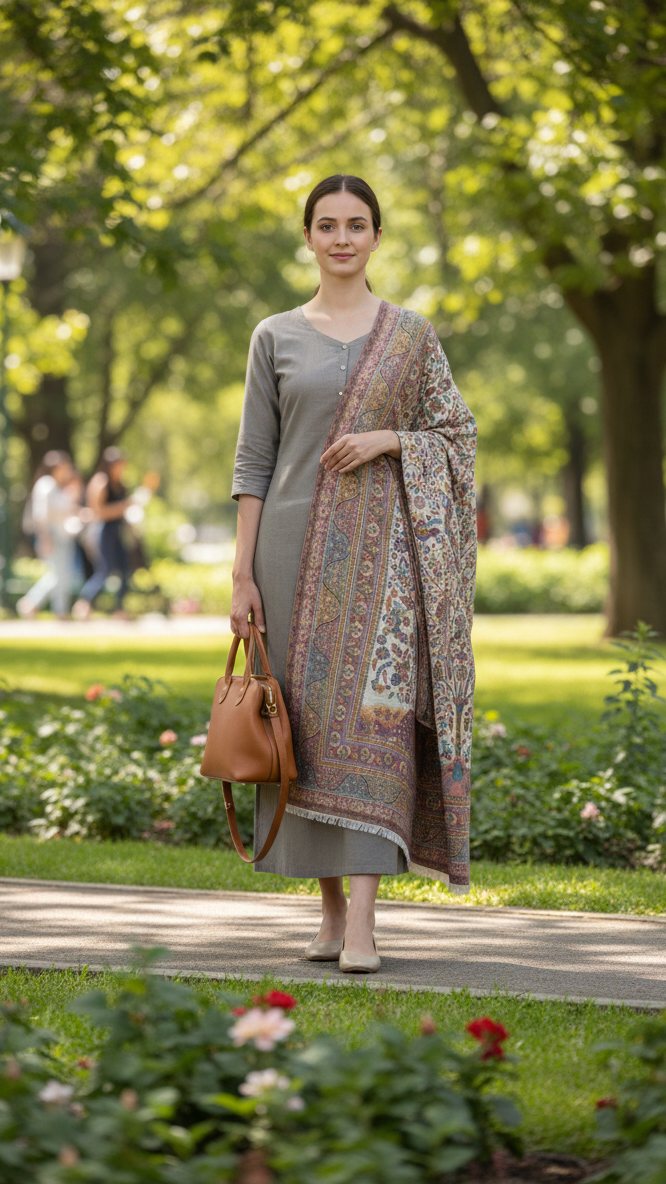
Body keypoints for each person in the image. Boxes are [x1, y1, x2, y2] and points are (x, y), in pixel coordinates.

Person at [230, 175, 477, 973]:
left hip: (385, 564)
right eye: (327, 224)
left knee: (374, 727)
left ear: (377, 237)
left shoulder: (411, 335)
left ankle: (367, 923)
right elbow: (254, 460)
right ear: (308, 236)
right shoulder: (274, 335)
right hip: (287, 555)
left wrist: (390, 441)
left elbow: (457, 434)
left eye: (357, 224)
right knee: (299, 729)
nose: (342, 237)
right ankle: (330, 912)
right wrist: (242, 575)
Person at [17, 450, 80, 619]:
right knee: (56, 575)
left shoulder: (57, 486)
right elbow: (41, 514)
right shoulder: (46, 484)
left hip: (62, 534)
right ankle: (30, 603)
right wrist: (45, 537)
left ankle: (60, 611)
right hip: (51, 534)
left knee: (64, 575)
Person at [72, 447, 132, 620]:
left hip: (118, 530)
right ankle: (84, 603)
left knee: (124, 569)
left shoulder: (119, 483)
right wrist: (121, 508)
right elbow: (95, 511)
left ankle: (120, 609)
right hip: (103, 530)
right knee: (104, 570)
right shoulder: (101, 481)